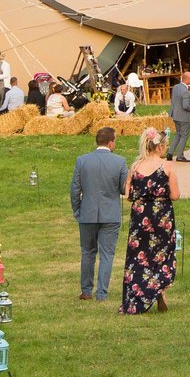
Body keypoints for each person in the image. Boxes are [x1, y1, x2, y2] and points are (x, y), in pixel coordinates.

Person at [119, 127, 179, 314]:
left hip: (140, 216)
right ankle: (158, 288)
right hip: (161, 215)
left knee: (139, 255)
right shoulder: (167, 166)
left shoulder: (135, 167)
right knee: (161, 253)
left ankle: (136, 298)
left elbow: (127, 194)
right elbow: (175, 195)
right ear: (160, 146)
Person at [72, 125, 130, 302]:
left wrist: (77, 210)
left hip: (87, 213)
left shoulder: (82, 161)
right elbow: (123, 189)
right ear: (111, 143)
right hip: (110, 214)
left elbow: (75, 189)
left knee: (87, 252)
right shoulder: (119, 162)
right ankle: (102, 293)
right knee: (107, 254)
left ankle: (86, 291)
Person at [166, 70, 190, 159]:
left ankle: (170, 153)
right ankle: (180, 155)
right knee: (184, 136)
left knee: (178, 134)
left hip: (175, 114)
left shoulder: (175, 87)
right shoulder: (185, 91)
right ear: (188, 79)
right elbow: (186, 106)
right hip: (183, 116)